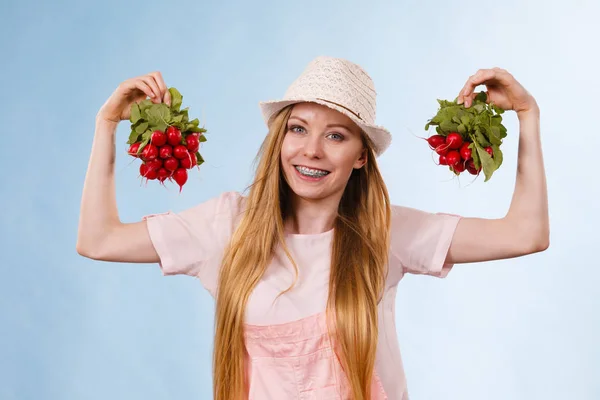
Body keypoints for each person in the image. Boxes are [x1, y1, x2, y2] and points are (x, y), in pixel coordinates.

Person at [77, 56, 549, 400]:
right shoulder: (225, 226)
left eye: (336, 135)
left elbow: (525, 234)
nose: (312, 151)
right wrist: (105, 125)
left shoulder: (385, 233)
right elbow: (98, 240)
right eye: (298, 128)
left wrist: (528, 117)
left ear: (361, 156)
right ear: (280, 137)